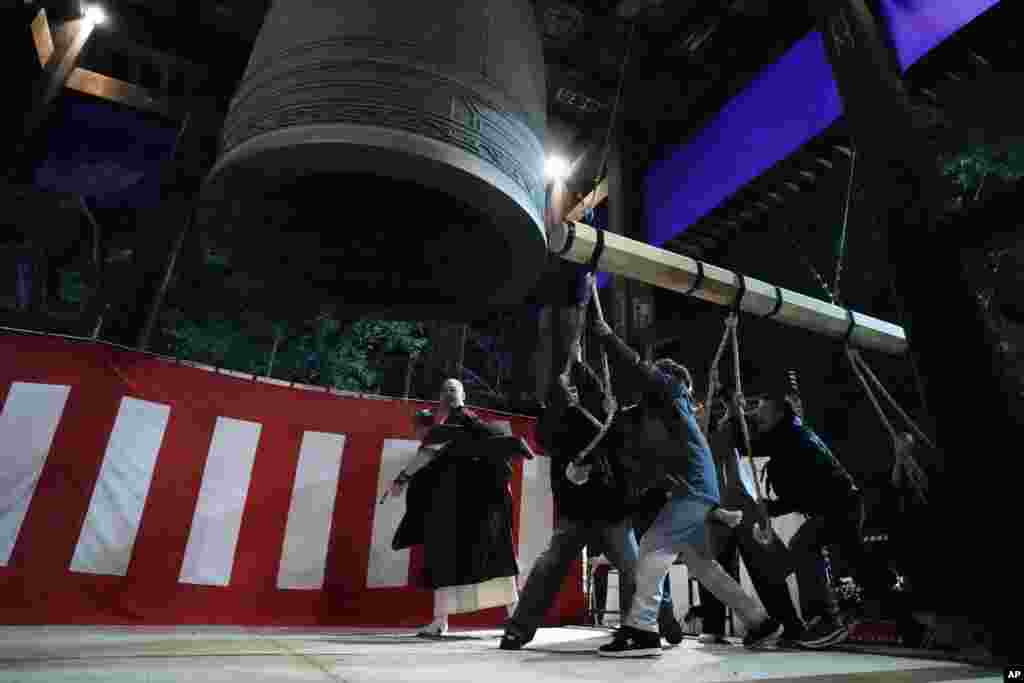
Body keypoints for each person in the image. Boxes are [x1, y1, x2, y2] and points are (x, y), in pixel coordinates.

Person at [589, 310, 782, 658]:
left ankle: (642, 630)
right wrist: (612, 411)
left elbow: (639, 370)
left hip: (692, 490)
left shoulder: (672, 389)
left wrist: (606, 335)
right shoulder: (659, 414)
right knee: (702, 565)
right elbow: (629, 425)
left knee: (652, 546)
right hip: (694, 491)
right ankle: (761, 622)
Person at [500, 313, 647, 649]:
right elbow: (545, 436)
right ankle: (519, 628)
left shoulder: (601, 406)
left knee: (631, 566)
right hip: (578, 506)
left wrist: (579, 393)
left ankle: (642, 627)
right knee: (552, 564)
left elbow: (608, 432)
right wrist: (563, 399)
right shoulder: (559, 408)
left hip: (608, 504)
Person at [749, 393, 898, 649]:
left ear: (778, 414)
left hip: (838, 506)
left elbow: (800, 493)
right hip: (838, 505)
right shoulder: (791, 434)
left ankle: (826, 620)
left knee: (804, 545)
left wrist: (771, 508)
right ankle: (900, 615)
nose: (757, 416)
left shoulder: (791, 439)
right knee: (856, 563)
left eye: (762, 411)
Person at [387, 379, 535, 637]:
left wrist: (401, 479)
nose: (448, 392)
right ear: (439, 397)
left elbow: (427, 454)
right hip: (456, 508)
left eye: (453, 389)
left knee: (496, 557)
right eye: (444, 389)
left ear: (463, 395)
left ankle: (516, 618)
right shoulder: (445, 426)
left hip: (483, 505)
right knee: (443, 559)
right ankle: (440, 622)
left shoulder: (464, 419)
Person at [694, 396, 806, 647]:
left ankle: (789, 623)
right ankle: (713, 626)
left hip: (742, 507)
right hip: (715, 511)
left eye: (702, 409)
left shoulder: (728, 433)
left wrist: (733, 407)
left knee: (763, 566)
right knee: (716, 569)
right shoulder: (698, 439)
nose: (698, 412)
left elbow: (738, 427)